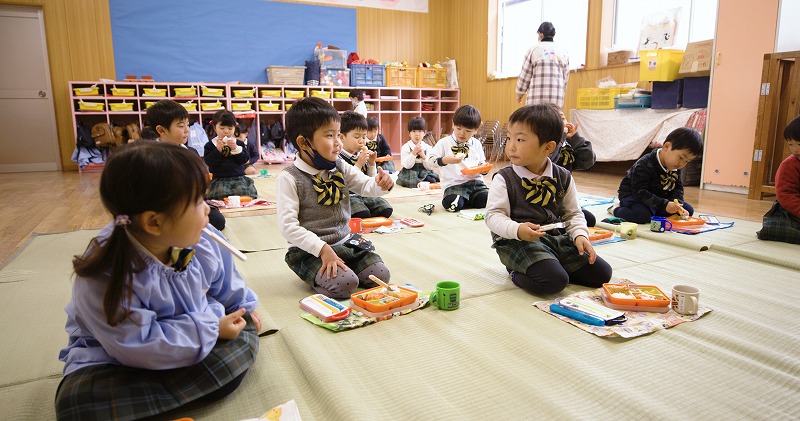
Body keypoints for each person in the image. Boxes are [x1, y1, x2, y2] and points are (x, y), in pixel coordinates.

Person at [55, 142, 261, 420]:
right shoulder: (106, 272)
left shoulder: (203, 240)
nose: (207, 210)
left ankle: (155, 402)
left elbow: (227, 283)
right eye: (198, 202)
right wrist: (213, 328)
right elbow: (136, 344)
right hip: (115, 359)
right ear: (154, 223)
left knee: (243, 331)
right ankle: (173, 394)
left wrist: (244, 307)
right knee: (78, 404)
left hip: (195, 335)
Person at [485, 104, 612, 295]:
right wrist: (517, 229)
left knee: (601, 274)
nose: (510, 146)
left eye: (520, 139)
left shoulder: (562, 176)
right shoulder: (504, 178)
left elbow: (573, 213)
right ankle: (515, 272)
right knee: (554, 281)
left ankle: (550, 263)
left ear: (548, 147)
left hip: (555, 237)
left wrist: (580, 235)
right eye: (509, 138)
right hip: (518, 240)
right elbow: (493, 216)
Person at [276, 97, 394, 298]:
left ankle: (343, 269)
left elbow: (364, 184)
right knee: (345, 285)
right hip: (310, 250)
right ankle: (323, 274)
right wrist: (322, 249)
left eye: (338, 135)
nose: (339, 143)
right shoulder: (290, 178)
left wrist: (380, 183)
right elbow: (288, 227)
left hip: (345, 241)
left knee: (380, 275)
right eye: (330, 136)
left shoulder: (338, 164)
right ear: (304, 142)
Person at [145, 99, 226, 231]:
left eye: (187, 125)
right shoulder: (151, 155)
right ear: (161, 130)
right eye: (181, 126)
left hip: (191, 202)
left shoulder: (191, 152)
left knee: (217, 220)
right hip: (167, 205)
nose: (187, 130)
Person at [610, 127, 703, 224]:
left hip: (658, 198)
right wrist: (664, 204)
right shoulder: (644, 164)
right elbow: (639, 192)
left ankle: (655, 211)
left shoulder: (675, 166)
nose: (682, 164)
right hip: (635, 196)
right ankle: (616, 209)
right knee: (642, 216)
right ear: (666, 147)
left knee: (688, 210)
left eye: (687, 161)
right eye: (681, 157)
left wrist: (676, 204)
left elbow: (678, 188)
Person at [427, 105, 490, 212]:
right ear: (453, 124)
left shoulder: (477, 144)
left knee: (490, 200)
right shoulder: (444, 143)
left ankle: (467, 199)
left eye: (468, 131)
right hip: (454, 185)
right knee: (452, 204)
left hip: (476, 184)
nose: (462, 133)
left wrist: (484, 169)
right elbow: (429, 162)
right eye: (459, 128)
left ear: (475, 130)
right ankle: (465, 200)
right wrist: (445, 160)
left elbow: (481, 163)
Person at [338, 111, 393, 219]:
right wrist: (358, 164)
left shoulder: (361, 153)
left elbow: (370, 180)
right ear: (342, 137)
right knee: (362, 214)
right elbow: (346, 183)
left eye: (363, 137)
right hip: (350, 196)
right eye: (356, 137)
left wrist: (372, 164)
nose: (361, 141)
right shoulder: (339, 158)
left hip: (364, 194)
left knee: (386, 209)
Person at [549, 107, 598, 227]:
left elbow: (588, 161)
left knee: (589, 219)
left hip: (562, 200)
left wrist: (575, 138)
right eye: (558, 120)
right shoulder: (544, 146)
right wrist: (561, 138)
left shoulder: (567, 147)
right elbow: (550, 162)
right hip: (543, 202)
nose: (563, 123)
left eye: (563, 118)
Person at [757, 115, 800, 244]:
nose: (795, 149)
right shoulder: (789, 165)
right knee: (780, 228)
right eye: (791, 144)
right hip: (792, 211)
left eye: (799, 144)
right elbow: (786, 195)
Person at [204, 110, 258, 200]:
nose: (226, 132)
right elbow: (209, 162)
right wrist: (217, 151)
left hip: (238, 178)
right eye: (222, 128)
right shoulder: (210, 145)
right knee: (219, 194)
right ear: (214, 127)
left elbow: (245, 160)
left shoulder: (239, 144)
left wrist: (236, 149)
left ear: (235, 128)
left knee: (244, 192)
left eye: (230, 129)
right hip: (219, 179)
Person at [515, 22, 570, 108]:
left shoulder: (533, 50)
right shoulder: (563, 52)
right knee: (553, 121)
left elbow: (525, 75)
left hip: (536, 102)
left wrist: (520, 94)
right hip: (556, 101)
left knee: (534, 121)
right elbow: (565, 79)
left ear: (540, 34)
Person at [397, 117, 439, 188]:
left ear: (424, 133)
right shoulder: (406, 147)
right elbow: (406, 165)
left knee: (432, 179)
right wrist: (413, 153)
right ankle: (419, 183)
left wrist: (423, 156)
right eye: (414, 131)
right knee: (411, 181)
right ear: (409, 133)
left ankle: (421, 182)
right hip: (410, 171)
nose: (417, 134)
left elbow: (430, 167)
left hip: (424, 171)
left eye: (420, 131)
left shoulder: (427, 147)